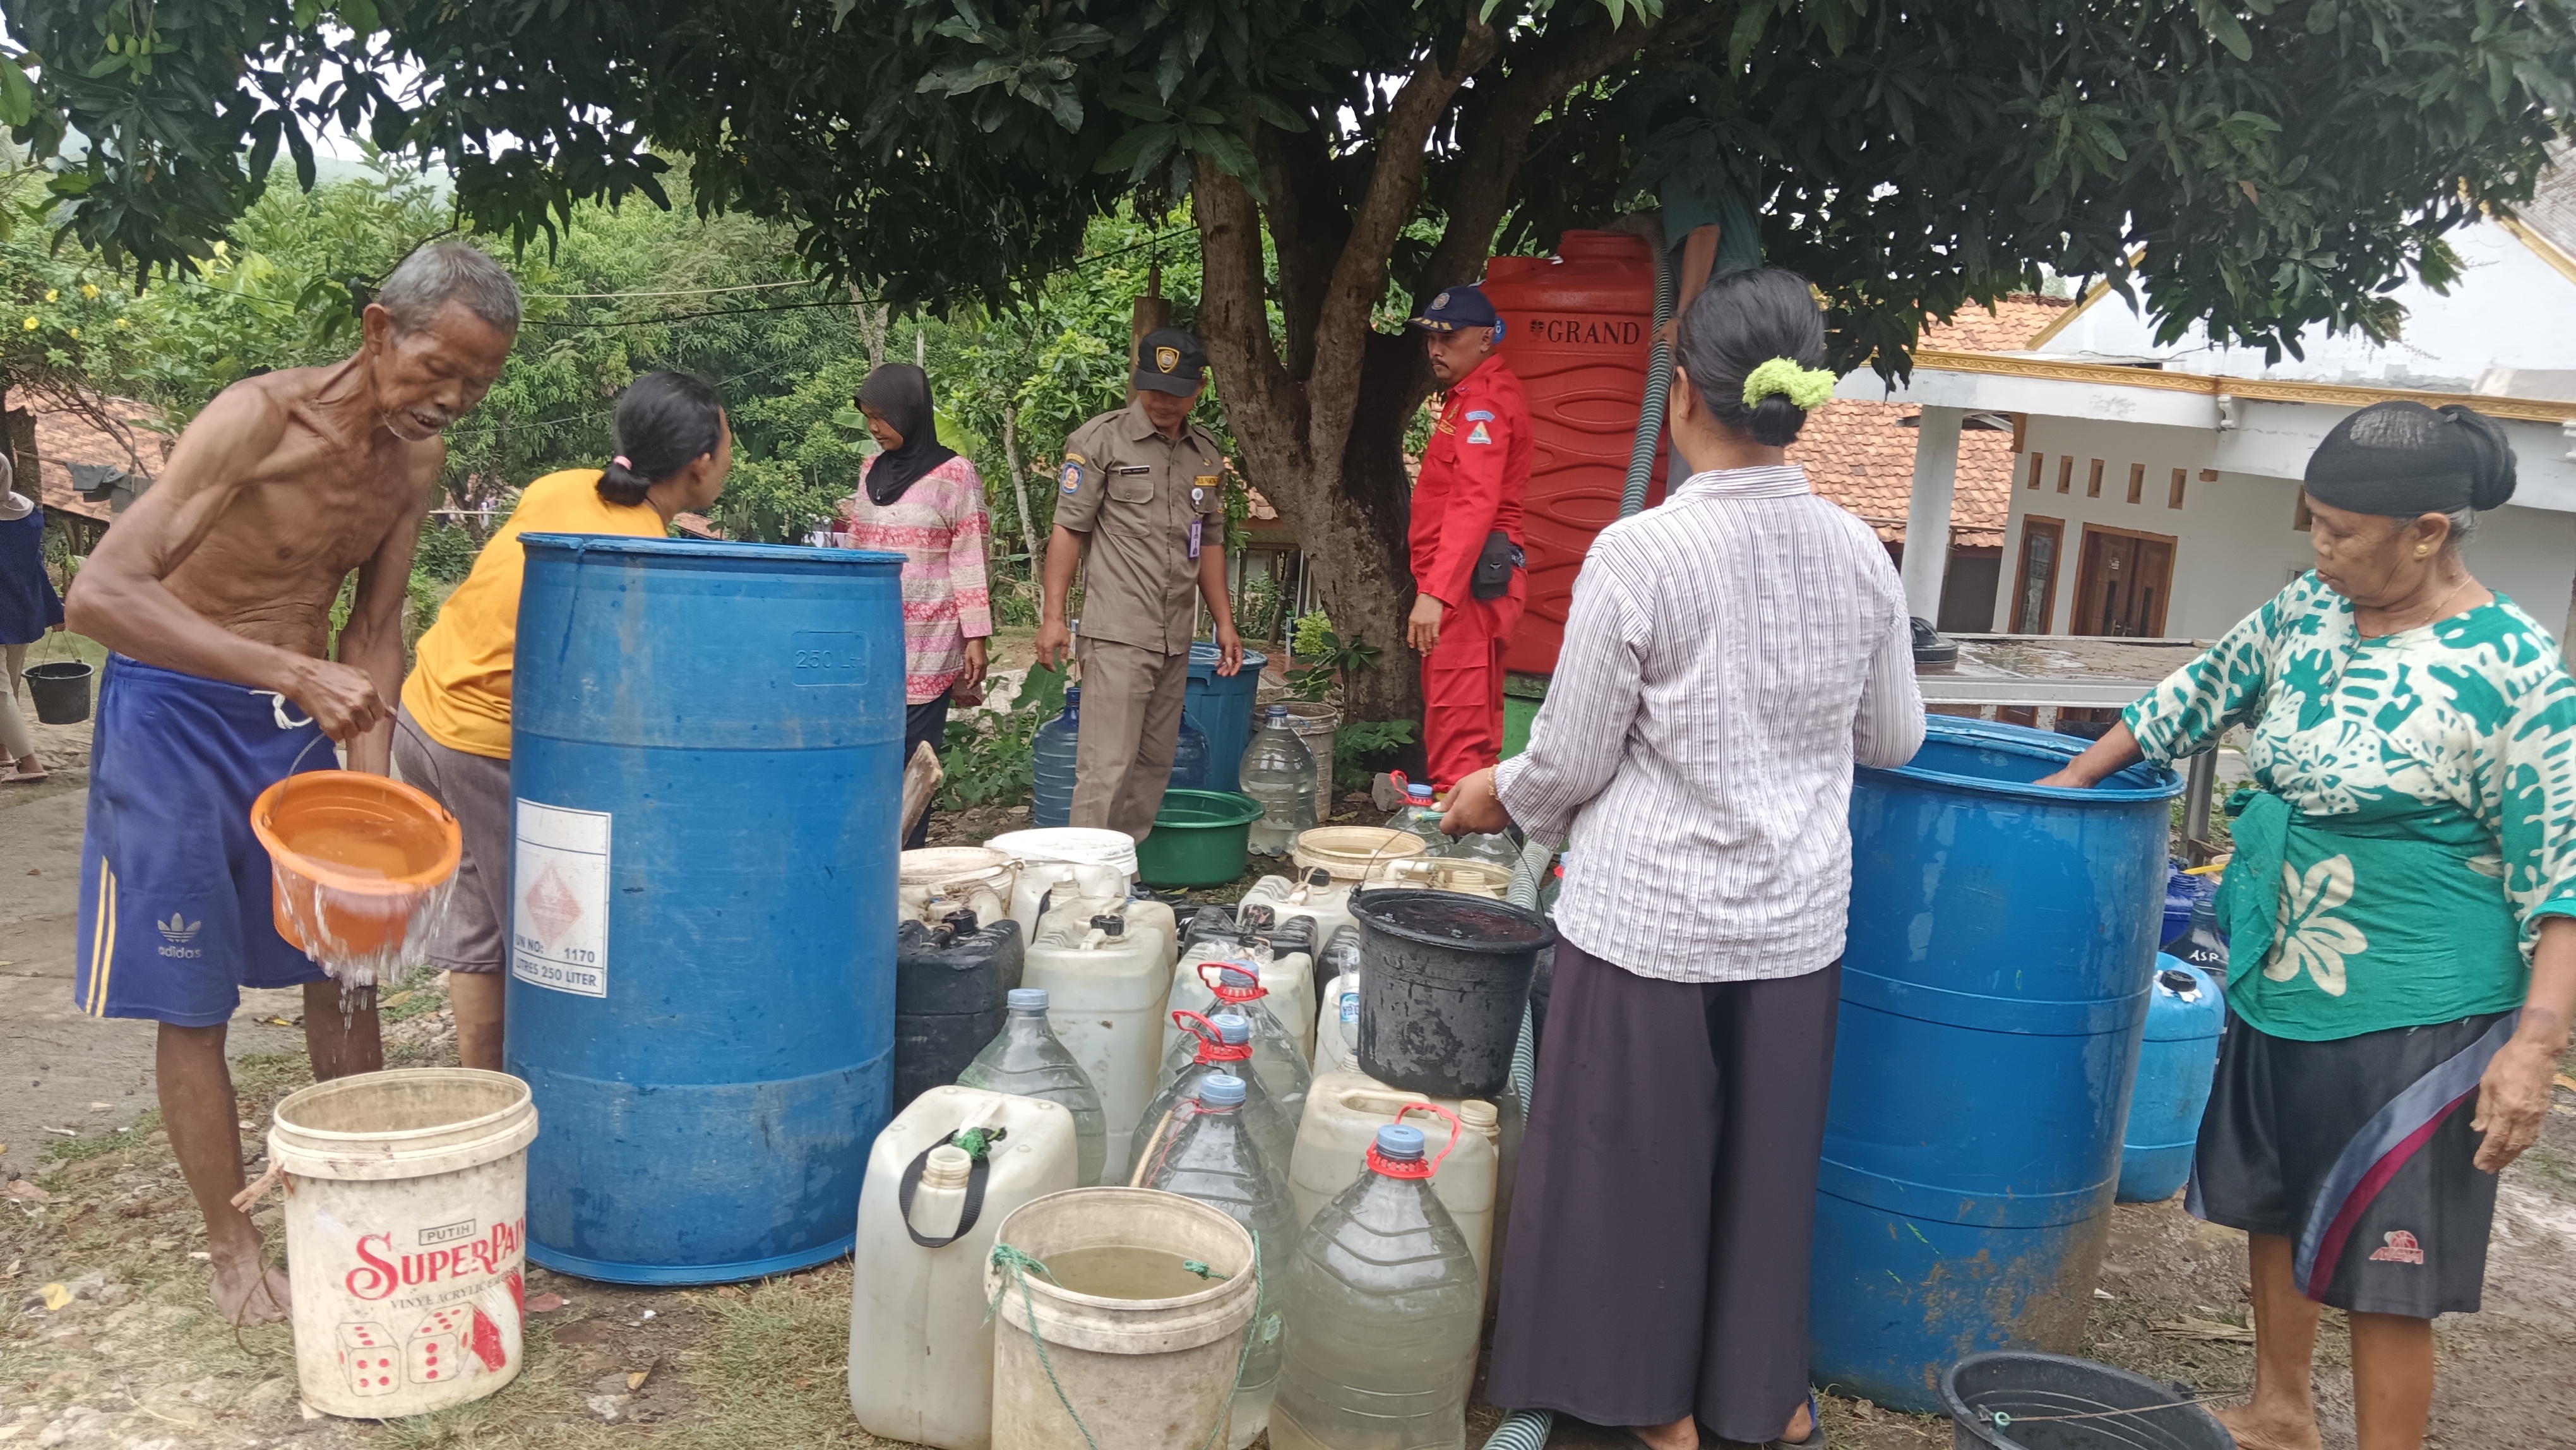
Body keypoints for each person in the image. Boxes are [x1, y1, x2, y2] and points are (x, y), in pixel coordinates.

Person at [1441, 268, 1923, 1450]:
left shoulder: (1641, 553)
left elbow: (1565, 763)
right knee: (1762, 1176)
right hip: (1795, 926)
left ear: (1687, 401)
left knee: (1633, 1172)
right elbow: (1894, 736)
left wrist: (1486, 796)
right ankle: (1762, 1398)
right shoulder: (1862, 551)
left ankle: (1652, 1408)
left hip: (1652, 923)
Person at [2034, 400, 2576, 1450]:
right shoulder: (2304, 614)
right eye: (2312, 525)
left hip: (2422, 1003)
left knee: (2389, 1261)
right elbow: (2189, 698)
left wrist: (2538, 1046)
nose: (2320, 550)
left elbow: (2566, 872)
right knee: (2276, 1200)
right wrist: (2060, 788)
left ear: (2429, 531)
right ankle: (2282, 1410)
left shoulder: (2518, 670)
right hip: (2282, 969)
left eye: (2341, 533)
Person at [61, 241, 520, 1324]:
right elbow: (99, 592)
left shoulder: (414, 462)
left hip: (302, 720)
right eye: (438, 370)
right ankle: (233, 1254)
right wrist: (281, 668)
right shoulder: (255, 420)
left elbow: (371, 629)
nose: (451, 399)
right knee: (193, 997)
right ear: (378, 331)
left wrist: (380, 801)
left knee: (349, 968)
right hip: (173, 720)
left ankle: (355, 1205)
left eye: (477, 385)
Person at [394, 372, 732, 1071]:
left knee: (481, 926)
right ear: (701, 463)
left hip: (423, 711)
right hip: (484, 742)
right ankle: (559, 1092)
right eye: (730, 445)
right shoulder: (637, 555)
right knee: (554, 936)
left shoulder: (562, 486)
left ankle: (488, 1103)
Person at [1035, 327, 1243, 840]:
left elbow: (1209, 540)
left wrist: (1224, 622)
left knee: (1152, 767)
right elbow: (1068, 529)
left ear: (1200, 387)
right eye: (1152, 388)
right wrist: (1053, 617)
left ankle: (1121, 880)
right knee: (1105, 769)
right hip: (1118, 633)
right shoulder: (1099, 440)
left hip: (1176, 637)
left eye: (1176, 392)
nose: (1162, 402)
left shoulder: (1205, 455)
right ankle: (1084, 885)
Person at [833, 363, 991, 848]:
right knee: (870, 753)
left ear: (910, 412)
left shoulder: (955, 475)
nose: (874, 428)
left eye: (882, 416)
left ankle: (907, 858)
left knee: (913, 756)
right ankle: (869, 858)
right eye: (868, 417)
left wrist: (976, 635)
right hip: (875, 637)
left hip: (933, 638)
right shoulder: (870, 473)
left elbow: (970, 556)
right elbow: (858, 547)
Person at [1405, 285, 1530, 789]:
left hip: (1464, 589)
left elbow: (1474, 501)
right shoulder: (1470, 399)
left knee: (1459, 727)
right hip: (1467, 583)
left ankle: (1457, 858)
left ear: (1484, 339)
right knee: (1467, 728)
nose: (1436, 348)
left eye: (1449, 337)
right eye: (1431, 339)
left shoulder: (1484, 405)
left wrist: (1436, 594)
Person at [0, 463, 65, 782]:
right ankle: (2, 750)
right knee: (8, 685)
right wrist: (55, 611)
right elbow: (35, 567)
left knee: (1, 691)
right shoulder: (26, 514)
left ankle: (29, 764)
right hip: (19, 608)